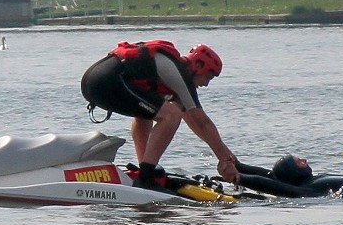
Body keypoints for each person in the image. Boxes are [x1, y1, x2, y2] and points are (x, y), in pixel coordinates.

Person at [81, 40, 239, 190]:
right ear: (198, 65)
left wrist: (226, 156)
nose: (205, 84)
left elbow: (193, 120)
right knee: (171, 115)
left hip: (94, 79)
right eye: (208, 77)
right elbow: (201, 122)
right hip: (105, 81)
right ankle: (146, 178)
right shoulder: (179, 73)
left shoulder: (174, 71)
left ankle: (146, 167)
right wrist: (224, 159)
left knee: (150, 113)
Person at [233, 154, 343, 198]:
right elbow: (272, 185)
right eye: (299, 161)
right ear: (293, 171)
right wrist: (239, 178)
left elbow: (270, 176)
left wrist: (238, 166)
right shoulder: (306, 190)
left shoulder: (311, 180)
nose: (304, 160)